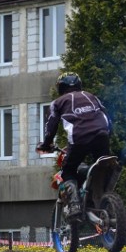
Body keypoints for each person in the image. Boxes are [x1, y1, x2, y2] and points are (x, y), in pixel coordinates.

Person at [36, 72, 112, 223]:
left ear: (60, 88)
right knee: (100, 167)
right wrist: (107, 134)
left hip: (79, 139)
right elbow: (106, 116)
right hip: (102, 134)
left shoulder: (58, 102)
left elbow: (51, 126)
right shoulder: (92, 96)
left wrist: (46, 144)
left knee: (68, 171)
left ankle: (75, 205)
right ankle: (98, 198)